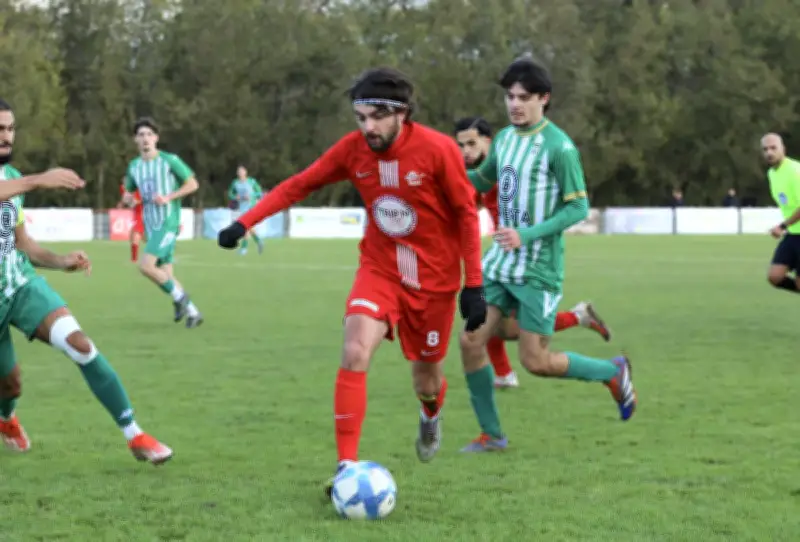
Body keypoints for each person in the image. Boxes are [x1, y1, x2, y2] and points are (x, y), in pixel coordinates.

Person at [217, 67, 486, 489]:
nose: (368, 127)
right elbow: (298, 185)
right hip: (380, 270)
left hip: (435, 283)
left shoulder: (438, 150)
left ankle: (430, 414)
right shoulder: (352, 150)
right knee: (356, 350)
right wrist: (245, 222)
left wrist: (474, 285)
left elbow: (467, 216)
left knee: (426, 379)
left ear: (402, 113)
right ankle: (346, 467)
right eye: (360, 117)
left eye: (377, 116)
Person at [458, 58, 637, 453]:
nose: (514, 104)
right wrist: (442, 175)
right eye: (509, 97)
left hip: (538, 269)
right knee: (471, 340)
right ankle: (492, 435)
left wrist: (528, 234)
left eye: (523, 97)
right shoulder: (503, 139)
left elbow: (577, 208)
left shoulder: (560, 147)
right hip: (500, 264)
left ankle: (612, 371)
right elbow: (483, 179)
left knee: (535, 362)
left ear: (544, 98)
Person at [0, 99, 172, 464]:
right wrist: (39, 179)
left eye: (10, 128)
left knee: (80, 344)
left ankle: (135, 435)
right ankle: (5, 418)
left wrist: (62, 261)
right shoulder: (19, 181)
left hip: (19, 286)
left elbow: (22, 244)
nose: (6, 136)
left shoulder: (13, 178)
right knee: (10, 384)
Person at [454, 116, 611, 389]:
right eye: (460, 146)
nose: (465, 151)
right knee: (492, 326)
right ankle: (503, 379)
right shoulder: (489, 168)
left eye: (471, 143)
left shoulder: (518, 162)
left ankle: (597, 355)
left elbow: (574, 207)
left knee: (519, 341)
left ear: (488, 141)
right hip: (505, 255)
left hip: (532, 259)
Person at [123, 117, 203, 328]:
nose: (145, 139)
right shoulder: (134, 166)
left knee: (146, 266)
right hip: (151, 224)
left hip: (167, 222)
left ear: (156, 138)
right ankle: (193, 313)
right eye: (141, 135)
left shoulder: (169, 160)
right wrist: (129, 199)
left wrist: (169, 197)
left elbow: (193, 184)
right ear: (135, 140)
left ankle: (181, 299)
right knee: (165, 275)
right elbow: (129, 193)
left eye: (149, 134)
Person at [762, 132, 800, 293]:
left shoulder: (795, 171)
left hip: (791, 229)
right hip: (793, 234)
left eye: (773, 148)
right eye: (765, 149)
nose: (769, 152)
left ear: (782, 149)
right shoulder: (772, 174)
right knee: (775, 276)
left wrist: (782, 226)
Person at [227, 165, 265, 255]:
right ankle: (259, 242)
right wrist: (235, 197)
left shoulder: (251, 181)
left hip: (251, 207)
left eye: (242, 171)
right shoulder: (235, 182)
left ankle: (244, 249)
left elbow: (259, 192)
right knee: (247, 227)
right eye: (239, 172)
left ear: (245, 172)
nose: (240, 173)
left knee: (245, 226)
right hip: (242, 208)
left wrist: (251, 196)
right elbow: (230, 193)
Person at [117, 178, 145, 263]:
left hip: (143, 214)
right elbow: (126, 199)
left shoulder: (138, 189)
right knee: (134, 235)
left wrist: (129, 201)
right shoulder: (124, 189)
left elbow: (137, 201)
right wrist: (122, 203)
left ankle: (134, 259)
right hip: (137, 214)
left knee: (135, 235)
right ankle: (134, 258)